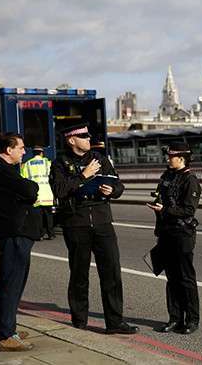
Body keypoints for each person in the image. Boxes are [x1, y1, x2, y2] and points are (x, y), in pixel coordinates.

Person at [49, 123, 136, 334]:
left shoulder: (100, 159)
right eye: (83, 136)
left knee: (112, 273)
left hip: (102, 220)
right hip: (76, 223)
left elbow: (119, 185)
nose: (89, 139)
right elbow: (59, 190)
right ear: (72, 140)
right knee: (79, 274)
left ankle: (115, 322)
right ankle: (80, 321)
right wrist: (83, 177)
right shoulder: (60, 162)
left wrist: (111, 190)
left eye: (88, 136)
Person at [0, 133, 41, 351]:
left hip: (12, 231)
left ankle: (4, 327)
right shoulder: (0, 168)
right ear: (9, 150)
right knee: (12, 283)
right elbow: (29, 189)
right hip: (14, 232)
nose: (24, 152)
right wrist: (32, 189)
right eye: (21, 148)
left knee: (9, 281)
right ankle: (6, 335)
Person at [147, 142, 201, 335]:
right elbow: (162, 197)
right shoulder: (167, 176)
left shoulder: (190, 180)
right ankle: (175, 318)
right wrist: (157, 203)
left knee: (186, 278)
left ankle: (192, 319)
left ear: (182, 158)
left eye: (171, 156)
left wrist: (165, 209)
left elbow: (188, 210)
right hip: (166, 233)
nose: (168, 159)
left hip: (182, 234)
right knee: (171, 279)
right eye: (168, 156)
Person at [21, 146, 55, 240]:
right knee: (48, 215)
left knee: (38, 216)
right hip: (47, 192)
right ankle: (51, 233)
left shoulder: (26, 164)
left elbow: (23, 178)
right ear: (41, 153)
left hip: (36, 193)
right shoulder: (47, 163)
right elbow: (53, 175)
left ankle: (40, 235)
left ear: (33, 153)